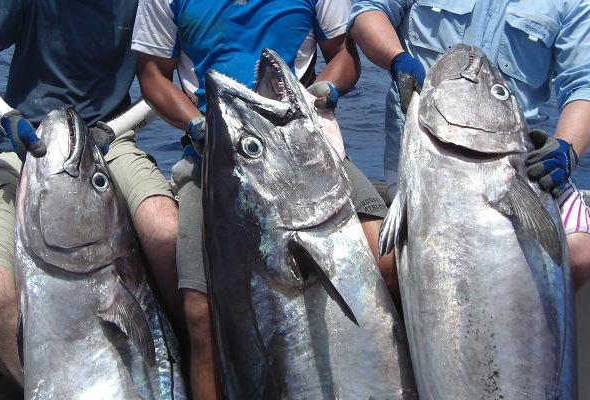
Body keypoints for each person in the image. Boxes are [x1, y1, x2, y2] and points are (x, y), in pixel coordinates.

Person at [131, 1, 395, 397]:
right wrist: (195, 123)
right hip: (213, 158)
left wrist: (327, 88)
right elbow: (151, 74)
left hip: (307, 148)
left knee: (388, 261)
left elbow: (343, 54)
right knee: (201, 314)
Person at [0, 0, 183, 384]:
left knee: (165, 231)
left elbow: (170, 82)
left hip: (106, 143)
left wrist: (115, 129)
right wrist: (8, 117)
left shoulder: (142, 5)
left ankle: (179, 365)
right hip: (29, 147)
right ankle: (36, 387)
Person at [348, 0, 590, 291]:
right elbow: (368, 12)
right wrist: (396, 57)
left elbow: (587, 85)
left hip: (514, 160)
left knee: (577, 254)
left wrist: (566, 148)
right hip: (425, 158)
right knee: (408, 265)